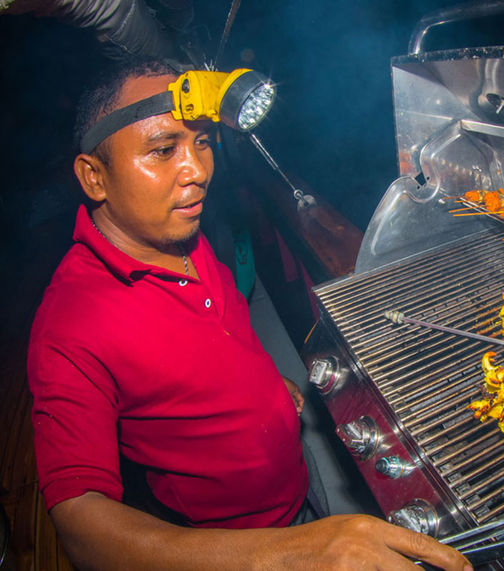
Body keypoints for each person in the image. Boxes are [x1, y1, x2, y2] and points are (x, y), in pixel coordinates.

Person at [27, 57, 472, 570]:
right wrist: (288, 554)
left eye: (202, 143)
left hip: (292, 468)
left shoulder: (176, 233)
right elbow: (80, 522)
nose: (197, 171)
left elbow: (220, 331)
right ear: (94, 176)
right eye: (163, 150)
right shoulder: (70, 326)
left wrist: (264, 384)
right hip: (237, 542)